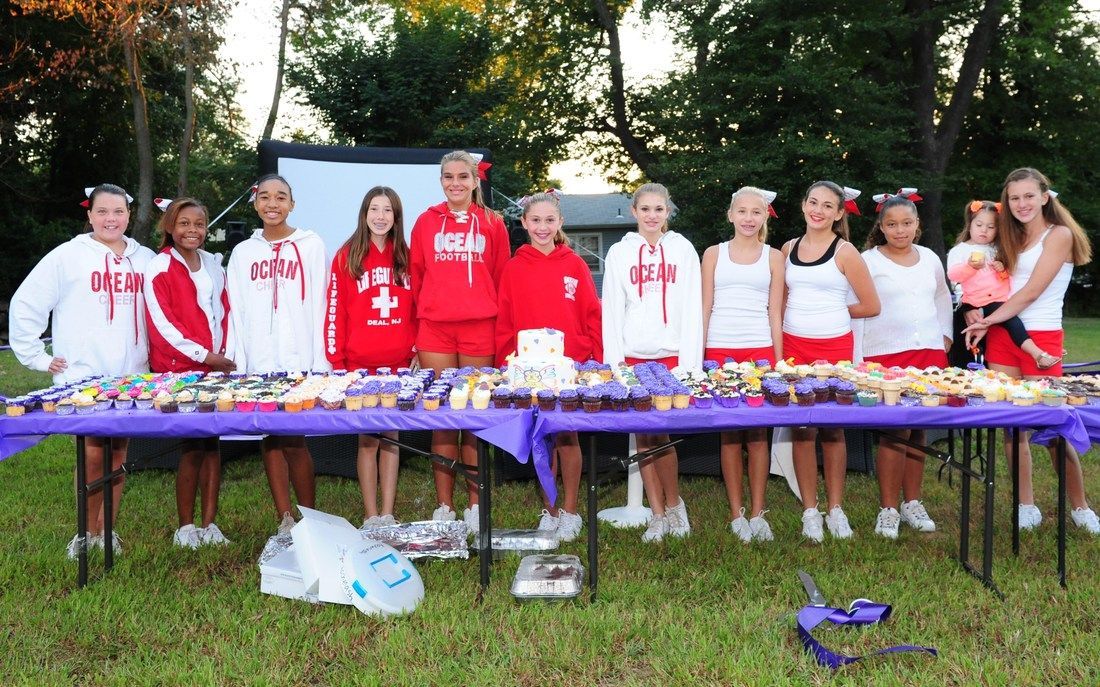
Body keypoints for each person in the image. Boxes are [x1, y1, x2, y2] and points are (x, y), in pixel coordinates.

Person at [9, 183, 155, 557]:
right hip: (84, 377)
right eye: (103, 211)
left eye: (118, 211)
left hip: (131, 376)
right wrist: (38, 357)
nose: (111, 219)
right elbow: (26, 303)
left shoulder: (145, 259)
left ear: (129, 214)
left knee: (119, 453)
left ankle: (108, 531)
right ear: (89, 214)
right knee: (92, 453)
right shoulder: (67, 257)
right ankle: (85, 533)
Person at [963, 168, 1098, 534]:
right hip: (1004, 335)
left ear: (1044, 196)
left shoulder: (1060, 235)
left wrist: (988, 321)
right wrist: (974, 308)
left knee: (1052, 428)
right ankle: (1026, 504)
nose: (1021, 204)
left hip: (1041, 338)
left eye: (1027, 196)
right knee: (1012, 427)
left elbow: (1032, 292)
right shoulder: (1007, 237)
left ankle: (1081, 507)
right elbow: (985, 286)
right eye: (1013, 197)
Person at [408, 151, 511, 535]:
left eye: (462, 177)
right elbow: (417, 275)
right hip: (435, 327)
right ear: (441, 181)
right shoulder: (425, 221)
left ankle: (474, 503)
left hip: (479, 328)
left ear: (475, 180)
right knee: (441, 417)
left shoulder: (493, 223)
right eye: (448, 177)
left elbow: (501, 277)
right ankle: (444, 506)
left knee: (472, 417)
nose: (455, 183)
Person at [494, 190, 602, 542]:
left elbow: (591, 314)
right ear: (524, 223)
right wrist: (505, 361)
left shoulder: (574, 264)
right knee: (542, 442)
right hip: (529, 372)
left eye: (549, 220)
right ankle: (550, 509)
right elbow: (505, 321)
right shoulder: (513, 267)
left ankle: (570, 511)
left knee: (568, 438)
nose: (542, 227)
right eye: (535, 220)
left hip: (568, 369)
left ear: (560, 224)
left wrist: (591, 358)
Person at [226, 174, 330, 535]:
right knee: (270, 438)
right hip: (259, 362)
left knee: (295, 440)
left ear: (292, 204)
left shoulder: (311, 245)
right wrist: (239, 363)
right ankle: (284, 518)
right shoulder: (242, 253)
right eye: (266, 197)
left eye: (281, 197)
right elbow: (235, 311)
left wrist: (320, 361)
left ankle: (311, 517)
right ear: (255, 204)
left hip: (299, 358)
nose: (273, 203)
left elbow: (321, 302)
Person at [602, 182, 703, 543]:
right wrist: (615, 363)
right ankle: (657, 515)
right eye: (645, 209)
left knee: (664, 436)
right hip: (633, 355)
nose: (651, 215)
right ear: (634, 212)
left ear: (667, 212)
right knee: (643, 436)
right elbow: (612, 309)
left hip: (672, 355)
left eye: (659, 209)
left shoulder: (684, 249)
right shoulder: (618, 252)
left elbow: (693, 308)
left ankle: (675, 504)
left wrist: (690, 364)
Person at [782, 181, 880, 543]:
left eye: (827, 206)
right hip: (794, 347)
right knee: (802, 428)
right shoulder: (788, 247)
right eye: (813, 202)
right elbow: (782, 300)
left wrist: (832, 310)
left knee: (833, 429)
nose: (818, 210)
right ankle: (810, 511)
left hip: (835, 349)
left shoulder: (847, 251)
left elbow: (871, 305)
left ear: (839, 213)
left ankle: (836, 509)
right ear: (804, 205)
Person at [855, 191, 951, 539]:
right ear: (881, 227)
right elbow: (858, 305)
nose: (900, 230)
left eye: (906, 223)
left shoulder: (929, 259)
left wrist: (945, 336)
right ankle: (888, 509)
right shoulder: (868, 260)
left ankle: (912, 501)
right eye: (892, 224)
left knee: (919, 429)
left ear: (917, 224)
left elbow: (942, 297)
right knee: (894, 432)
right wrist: (859, 358)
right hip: (885, 358)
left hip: (928, 355)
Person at [144, 197, 235, 548]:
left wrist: (223, 353)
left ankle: (210, 525)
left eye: (198, 223)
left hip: (215, 367)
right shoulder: (160, 266)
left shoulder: (213, 264)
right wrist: (204, 355)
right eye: (184, 223)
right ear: (170, 226)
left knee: (212, 445)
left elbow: (222, 311)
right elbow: (163, 324)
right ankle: (185, 527)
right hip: (180, 369)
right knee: (192, 448)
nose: (192, 230)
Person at [326, 186, 416, 530]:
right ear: (364, 214)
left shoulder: (405, 256)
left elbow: (417, 309)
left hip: (397, 365)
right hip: (359, 364)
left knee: (391, 436)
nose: (380, 217)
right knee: (367, 440)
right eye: (374, 209)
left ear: (396, 217)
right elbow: (335, 311)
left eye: (388, 210)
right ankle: (370, 514)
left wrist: (415, 350)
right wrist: (337, 362)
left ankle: (389, 512)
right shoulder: (346, 256)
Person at [701, 186, 784, 542]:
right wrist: (698, 354)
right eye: (743, 211)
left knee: (758, 434)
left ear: (766, 216)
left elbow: (775, 312)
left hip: (760, 352)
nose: (749, 218)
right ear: (730, 215)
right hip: (720, 350)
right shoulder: (713, 254)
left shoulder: (774, 257)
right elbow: (704, 307)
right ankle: (736, 513)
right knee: (730, 434)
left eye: (756, 212)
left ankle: (758, 512)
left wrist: (779, 361)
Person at [947, 200, 1060, 368]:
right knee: (1010, 323)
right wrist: (970, 267)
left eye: (991, 227)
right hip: (976, 302)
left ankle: (1037, 351)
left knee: (1009, 325)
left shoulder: (998, 249)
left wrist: (1002, 270)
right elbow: (953, 276)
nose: (984, 230)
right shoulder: (960, 250)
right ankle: (1037, 353)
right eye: (979, 225)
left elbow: (1010, 278)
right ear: (970, 224)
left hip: (1000, 300)